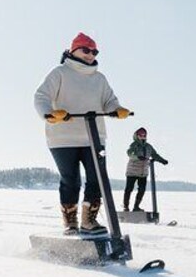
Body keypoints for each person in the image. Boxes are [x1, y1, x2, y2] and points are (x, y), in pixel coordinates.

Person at [34, 33, 131, 235]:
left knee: (97, 178)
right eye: (86, 50)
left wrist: (116, 109)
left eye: (94, 51)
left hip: (94, 137)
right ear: (73, 50)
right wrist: (49, 114)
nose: (90, 54)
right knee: (71, 179)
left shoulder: (99, 78)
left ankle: (89, 221)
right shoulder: (60, 73)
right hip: (62, 138)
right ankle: (70, 222)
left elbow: (109, 100)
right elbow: (41, 96)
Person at [123, 127, 168, 212]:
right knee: (129, 189)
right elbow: (130, 153)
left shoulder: (148, 147)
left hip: (143, 173)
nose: (143, 137)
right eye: (141, 135)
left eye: (144, 135)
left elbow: (154, 155)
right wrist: (137, 157)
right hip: (132, 172)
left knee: (142, 190)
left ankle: (136, 206)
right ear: (137, 136)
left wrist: (162, 160)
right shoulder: (134, 145)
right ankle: (126, 206)